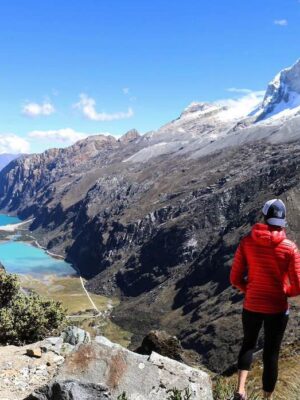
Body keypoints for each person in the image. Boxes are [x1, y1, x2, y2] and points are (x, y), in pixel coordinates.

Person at [230, 199, 300, 400]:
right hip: (277, 308)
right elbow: (298, 285)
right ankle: (266, 398)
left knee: (248, 344)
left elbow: (234, 278)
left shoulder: (247, 242)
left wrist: (249, 289)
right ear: (283, 221)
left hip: (251, 304)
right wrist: (284, 291)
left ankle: (240, 390)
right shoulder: (290, 248)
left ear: (264, 216)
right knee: (271, 353)